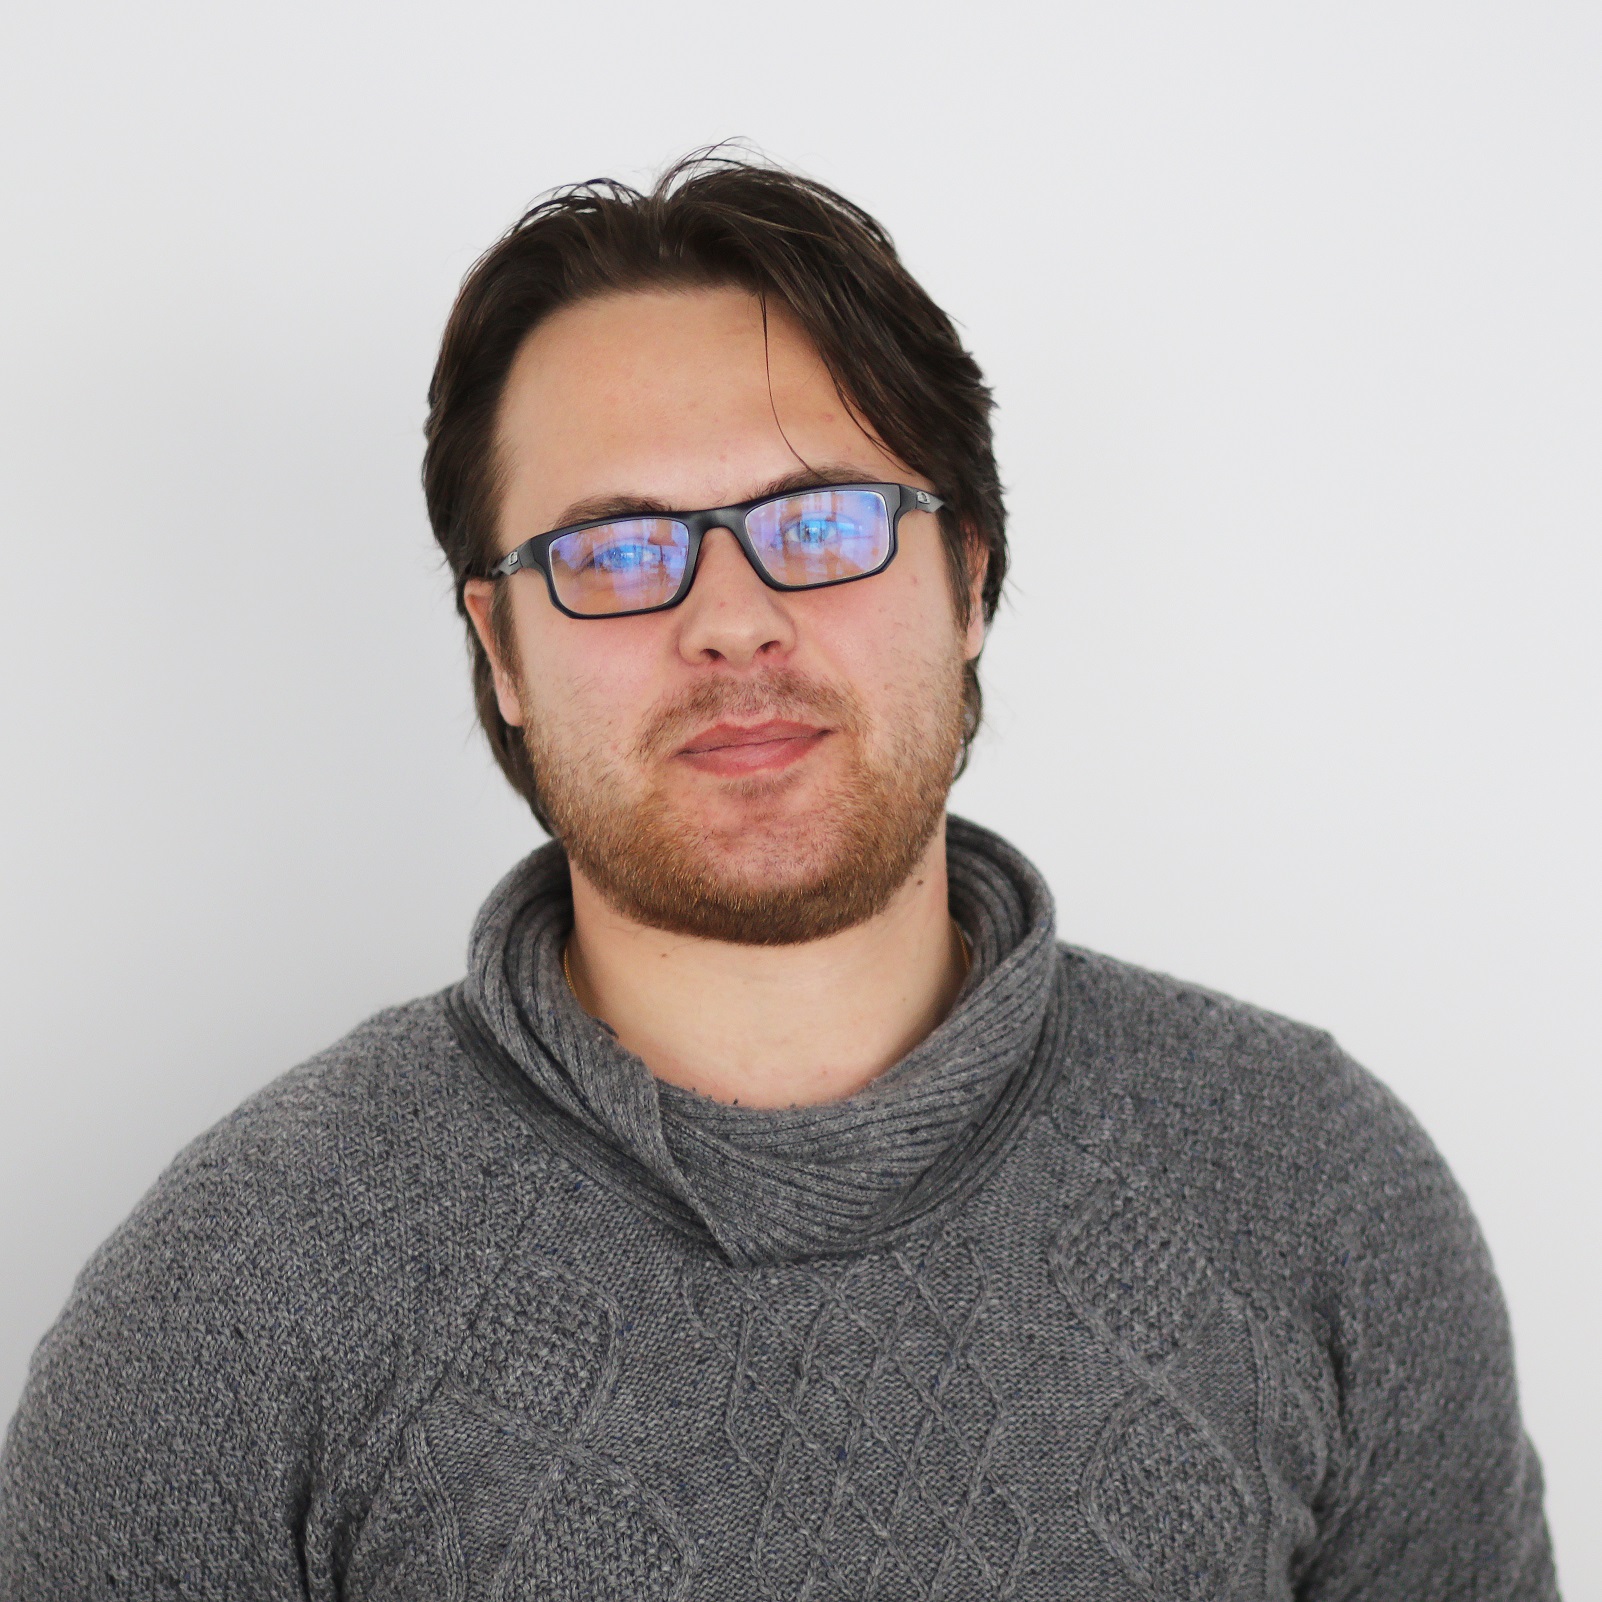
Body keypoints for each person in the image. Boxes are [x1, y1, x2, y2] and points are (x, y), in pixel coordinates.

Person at [0, 153, 1559, 1600]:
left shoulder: (1312, 1185)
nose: (732, 619)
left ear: (967, 580)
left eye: (821, 521)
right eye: (615, 552)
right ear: (504, 651)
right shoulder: (244, 1283)